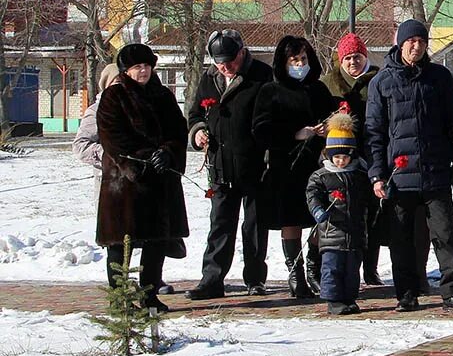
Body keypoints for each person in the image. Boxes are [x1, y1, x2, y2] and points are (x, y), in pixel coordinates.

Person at [366, 19, 453, 313]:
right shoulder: (382, 82)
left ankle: (452, 293)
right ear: (400, 44)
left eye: (422, 41)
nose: (416, 46)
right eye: (411, 41)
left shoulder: (439, 78)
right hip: (399, 176)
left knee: (446, 236)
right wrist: (377, 173)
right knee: (401, 240)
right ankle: (406, 293)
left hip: (435, 172)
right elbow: (374, 132)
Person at [95, 43, 189, 312]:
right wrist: (138, 160)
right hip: (124, 183)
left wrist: (168, 152)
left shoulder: (162, 96)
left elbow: (178, 130)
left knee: (156, 240)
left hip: (159, 180)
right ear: (126, 69)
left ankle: (149, 294)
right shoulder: (114, 96)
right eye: (137, 67)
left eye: (147, 66)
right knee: (119, 242)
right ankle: (120, 299)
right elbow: (111, 136)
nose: (143, 71)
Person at [186, 29, 274, 300]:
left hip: (255, 165)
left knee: (254, 226)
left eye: (230, 61)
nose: (225, 67)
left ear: (242, 53)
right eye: (219, 62)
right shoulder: (209, 78)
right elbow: (195, 114)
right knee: (220, 224)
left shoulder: (261, 75)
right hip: (220, 165)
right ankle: (212, 280)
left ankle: (255, 278)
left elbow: (273, 116)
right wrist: (198, 130)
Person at [252, 35, 335, 299]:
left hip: (318, 165)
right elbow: (261, 129)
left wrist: (325, 129)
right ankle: (295, 272)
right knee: (292, 219)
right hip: (286, 166)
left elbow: (335, 118)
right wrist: (294, 133)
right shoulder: (271, 91)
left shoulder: (318, 90)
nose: (300, 64)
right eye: (294, 60)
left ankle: (314, 266)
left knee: (320, 218)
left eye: (303, 59)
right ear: (284, 63)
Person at [321, 32, 386, 286]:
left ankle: (370, 267)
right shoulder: (329, 84)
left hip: (369, 156)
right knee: (338, 215)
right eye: (347, 58)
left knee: (371, 216)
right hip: (337, 159)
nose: (352, 63)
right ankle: (333, 269)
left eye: (357, 57)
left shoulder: (378, 80)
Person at [306, 111, 372, 315]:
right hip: (331, 233)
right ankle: (333, 300)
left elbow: (367, 196)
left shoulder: (359, 174)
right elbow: (312, 195)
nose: (341, 161)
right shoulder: (321, 176)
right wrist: (318, 210)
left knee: (352, 270)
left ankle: (349, 297)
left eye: (344, 157)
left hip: (355, 232)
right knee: (332, 268)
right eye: (336, 157)